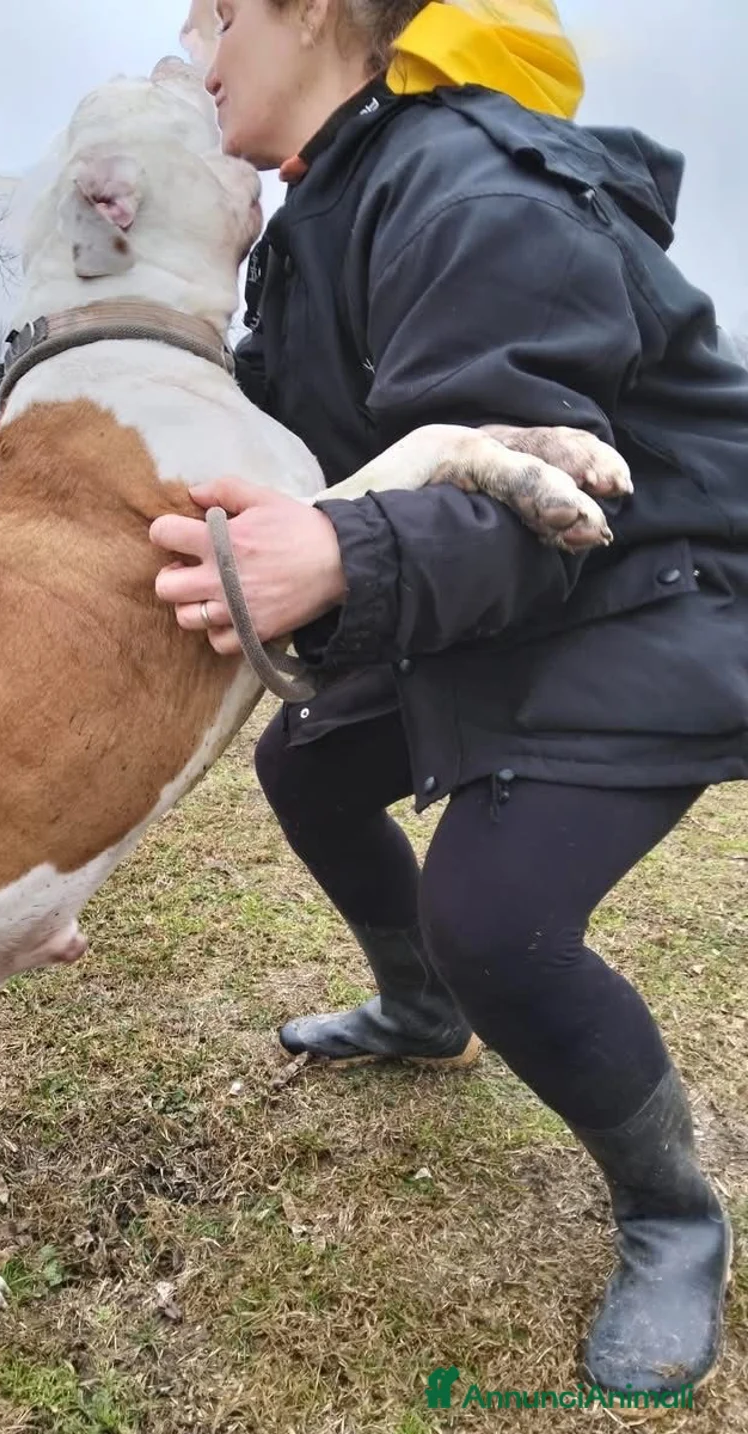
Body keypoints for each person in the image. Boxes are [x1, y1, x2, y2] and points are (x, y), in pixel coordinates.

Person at [150, 0, 748, 1400]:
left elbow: (533, 486)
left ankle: (673, 1209)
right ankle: (420, 1011)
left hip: (653, 584)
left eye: (219, 10)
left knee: (493, 914)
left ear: (311, 13)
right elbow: (335, 449)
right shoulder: (319, 216)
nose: (196, 39)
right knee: (307, 764)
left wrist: (338, 554)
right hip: (493, 586)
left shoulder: (476, 184)